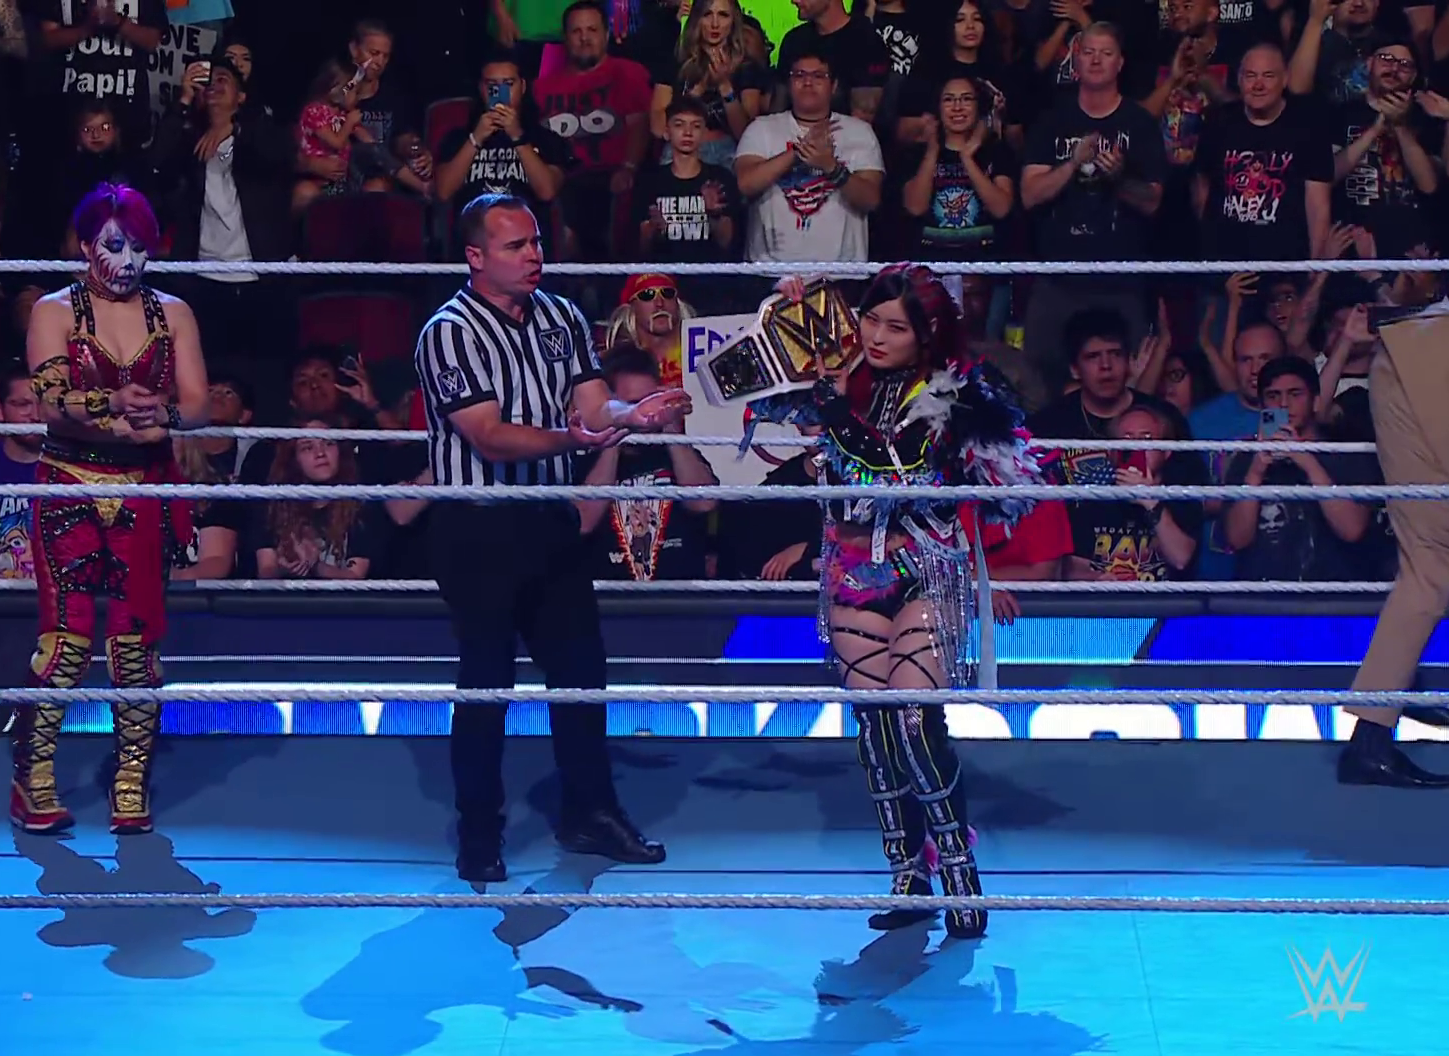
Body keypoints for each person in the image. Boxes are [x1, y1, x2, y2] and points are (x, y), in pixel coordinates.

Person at [747, 265, 1045, 939]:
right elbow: (755, 387)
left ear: (926, 333)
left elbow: (897, 465)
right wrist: (795, 312)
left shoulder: (953, 393)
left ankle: (960, 872)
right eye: (869, 320)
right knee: (877, 728)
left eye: (895, 327)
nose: (876, 336)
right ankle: (908, 875)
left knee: (915, 719)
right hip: (852, 570)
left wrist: (830, 411)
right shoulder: (843, 377)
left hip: (923, 566)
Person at [414, 192, 692, 883]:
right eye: (515, 246)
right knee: (487, 681)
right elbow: (488, 435)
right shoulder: (449, 332)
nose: (534, 255)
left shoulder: (562, 316)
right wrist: (575, 439)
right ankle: (479, 833)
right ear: (476, 256)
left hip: (548, 516)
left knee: (581, 672)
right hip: (477, 522)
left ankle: (590, 811)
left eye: (536, 241)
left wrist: (634, 415)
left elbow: (594, 405)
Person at [14, 183, 210, 835]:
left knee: (136, 647)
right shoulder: (53, 310)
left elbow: (199, 404)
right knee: (65, 643)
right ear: (85, 246)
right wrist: (110, 407)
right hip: (69, 483)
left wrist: (163, 416)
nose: (128, 262)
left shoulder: (173, 312)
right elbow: (49, 399)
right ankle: (33, 779)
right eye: (115, 246)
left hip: (144, 489)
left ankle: (131, 783)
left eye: (141, 248)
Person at [1342, 295, 1449, 791]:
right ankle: (1369, 742)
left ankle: (1400, 677)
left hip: (1438, 373)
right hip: (1422, 384)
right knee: (1432, 568)